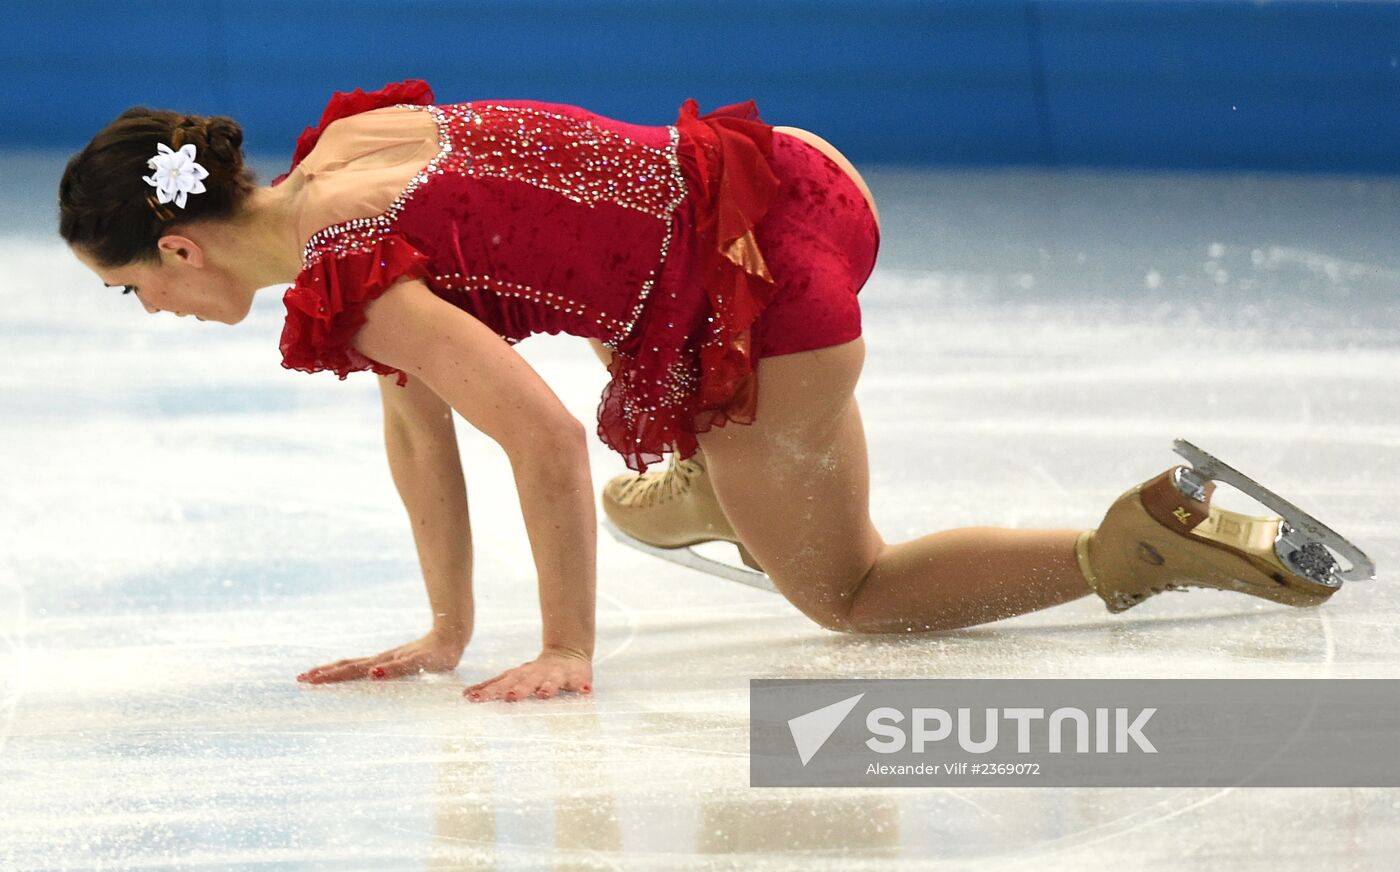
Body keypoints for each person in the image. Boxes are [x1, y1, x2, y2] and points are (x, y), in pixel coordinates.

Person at [57, 79, 1367, 703]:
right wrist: (446, 629)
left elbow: (542, 439)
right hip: (790, 171)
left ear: (179, 246)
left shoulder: (353, 272)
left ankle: (1135, 540)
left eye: (130, 287)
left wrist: (566, 647)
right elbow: (416, 410)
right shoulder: (347, 149)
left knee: (848, 593)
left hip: (762, 301)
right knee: (630, 387)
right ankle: (716, 479)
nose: (149, 311)